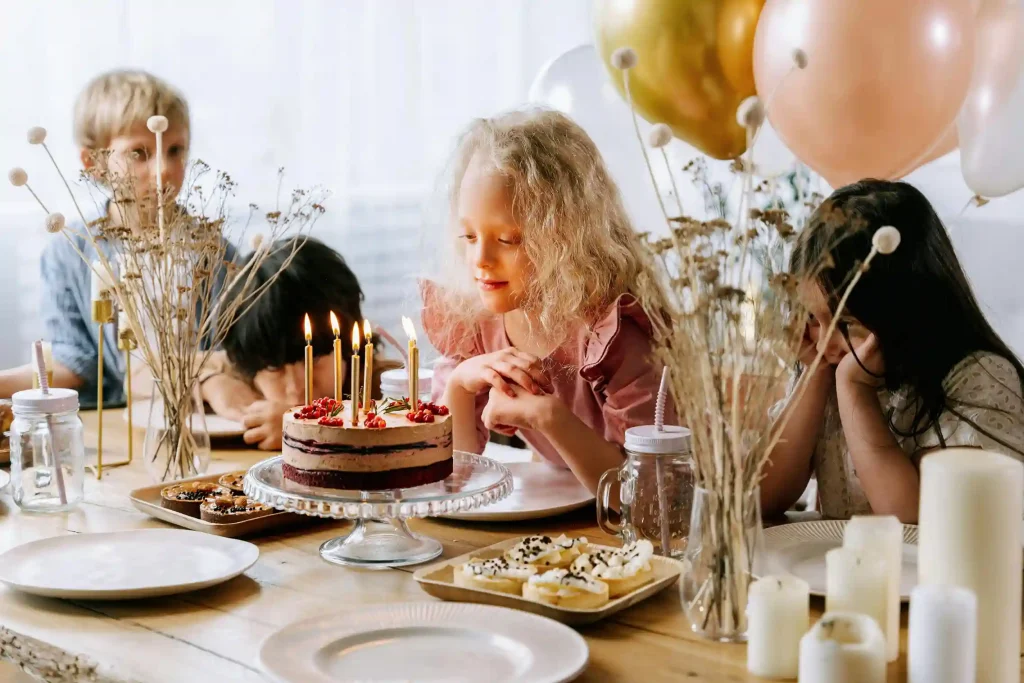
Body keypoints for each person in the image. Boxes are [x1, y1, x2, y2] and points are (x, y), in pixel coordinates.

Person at [421, 108, 670, 494]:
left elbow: (643, 493)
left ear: (565, 237)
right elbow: (450, 478)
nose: (480, 260)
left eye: (507, 240)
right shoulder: (475, 321)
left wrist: (550, 416)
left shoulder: (611, 333)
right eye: (469, 237)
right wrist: (459, 385)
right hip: (563, 510)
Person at [761, 179, 1024, 522]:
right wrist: (813, 379)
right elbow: (763, 497)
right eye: (813, 318)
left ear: (909, 312)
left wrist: (855, 391)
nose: (825, 341)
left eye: (848, 322)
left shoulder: (976, 377)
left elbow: (914, 524)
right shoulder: (826, 365)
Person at [0, 69, 246, 411]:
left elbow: (236, 354)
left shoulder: (214, 250)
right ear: (93, 163)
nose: (164, 168)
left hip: (202, 418)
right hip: (118, 422)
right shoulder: (71, 250)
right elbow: (76, 358)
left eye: (175, 150)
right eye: (139, 153)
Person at [221, 236, 400, 450]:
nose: (297, 388)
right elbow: (185, 367)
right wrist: (213, 384)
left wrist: (303, 430)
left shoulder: (388, 386)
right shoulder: (256, 348)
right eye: (274, 367)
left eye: (314, 359)